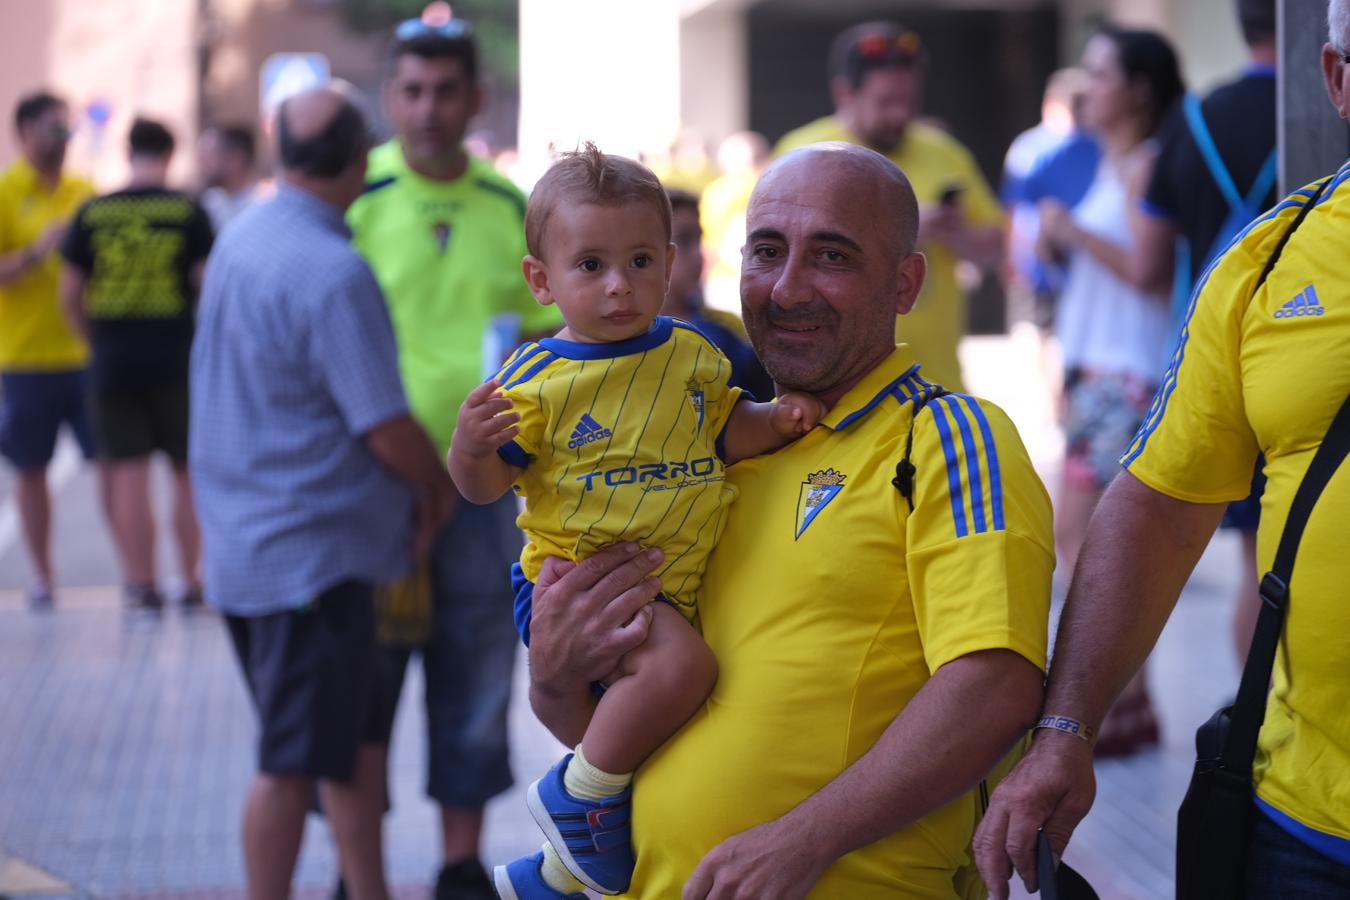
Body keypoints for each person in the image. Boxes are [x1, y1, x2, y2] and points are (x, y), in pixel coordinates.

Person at [523, 142, 1054, 899]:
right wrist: (552, 677)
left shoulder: (944, 435)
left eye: (831, 256)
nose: (787, 287)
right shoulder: (708, 454)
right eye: (766, 252)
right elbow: (617, 723)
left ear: (905, 284)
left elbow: (995, 688)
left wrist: (803, 841)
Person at [973, 3, 1350, 895]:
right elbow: (1157, 508)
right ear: (1337, 80)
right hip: (1309, 828)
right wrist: (1066, 732)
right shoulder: (1270, 263)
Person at [447, 145, 822, 899]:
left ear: (672, 261)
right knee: (686, 673)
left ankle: (553, 875)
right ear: (541, 279)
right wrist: (468, 448)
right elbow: (485, 487)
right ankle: (576, 796)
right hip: (583, 582)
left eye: (640, 260)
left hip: (667, 586)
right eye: (591, 266)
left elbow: (723, 430)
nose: (619, 285)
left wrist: (775, 420)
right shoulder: (537, 380)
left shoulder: (692, 353)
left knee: (677, 727)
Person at [189, 83, 455, 900]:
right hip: (310, 556)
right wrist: (442, 491)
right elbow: (384, 425)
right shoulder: (333, 271)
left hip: (250, 543)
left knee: (344, 747)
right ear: (356, 161)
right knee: (293, 762)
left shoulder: (244, 237)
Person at [344, 17, 563, 898]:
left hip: (484, 494)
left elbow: (555, 337)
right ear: (391, 97)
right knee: (363, 682)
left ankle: (458, 862)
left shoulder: (514, 211)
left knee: (474, 669)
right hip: (373, 491)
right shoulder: (357, 204)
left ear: (476, 99)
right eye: (412, 91)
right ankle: (360, 871)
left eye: (446, 92)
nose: (428, 109)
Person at [1034, 26, 1184, 755]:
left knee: (1092, 540)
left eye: (1100, 74)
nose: (1086, 86)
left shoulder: (1145, 163)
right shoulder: (1112, 163)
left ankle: (1112, 706)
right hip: (1096, 369)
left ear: (1139, 90)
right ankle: (1122, 706)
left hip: (1126, 373)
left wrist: (1069, 229)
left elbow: (1145, 269)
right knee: (1085, 539)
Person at [1133, 0, 1278, 676]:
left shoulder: (1191, 121)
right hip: (1313, 353)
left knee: (1255, 557)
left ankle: (1252, 718)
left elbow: (1153, 261)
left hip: (1218, 357)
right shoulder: (1329, 114)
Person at [774, 22, 1004, 392]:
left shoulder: (944, 153)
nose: (900, 115)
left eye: (909, 102)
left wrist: (957, 232)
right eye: (885, 103)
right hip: (838, 385)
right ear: (844, 94)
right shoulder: (804, 155)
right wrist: (903, 229)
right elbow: (780, 255)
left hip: (935, 381)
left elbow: (996, 246)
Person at [58, 117, 213, 610]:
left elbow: (69, 295)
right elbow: (207, 286)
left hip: (114, 360)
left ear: (129, 152)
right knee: (187, 473)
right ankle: (192, 582)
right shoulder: (187, 211)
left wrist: (96, 339)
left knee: (127, 473)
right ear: (168, 155)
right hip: (175, 359)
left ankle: (140, 585)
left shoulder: (93, 212)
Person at [0, 91, 97, 609]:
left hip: (84, 353)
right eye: (53, 130)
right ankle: (42, 575)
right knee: (31, 466)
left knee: (113, 464)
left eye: (68, 131)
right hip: (24, 357)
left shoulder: (86, 190)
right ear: (25, 131)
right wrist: (37, 254)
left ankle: (134, 571)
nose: (63, 142)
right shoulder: (5, 190)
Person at [1001, 68, 1098, 333]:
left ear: (1050, 104)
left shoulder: (1030, 147)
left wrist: (1011, 261)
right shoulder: (1099, 146)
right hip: (1079, 263)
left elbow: (1016, 211)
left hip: (1040, 267)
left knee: (1032, 340)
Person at [664, 188, 773, 397]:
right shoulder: (616, 337)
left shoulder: (726, 330)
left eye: (699, 238)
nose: (698, 254)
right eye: (684, 240)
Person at [198, 123, 263, 231]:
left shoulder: (262, 204)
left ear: (237, 160)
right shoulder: (208, 204)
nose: (202, 164)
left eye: (210, 156)